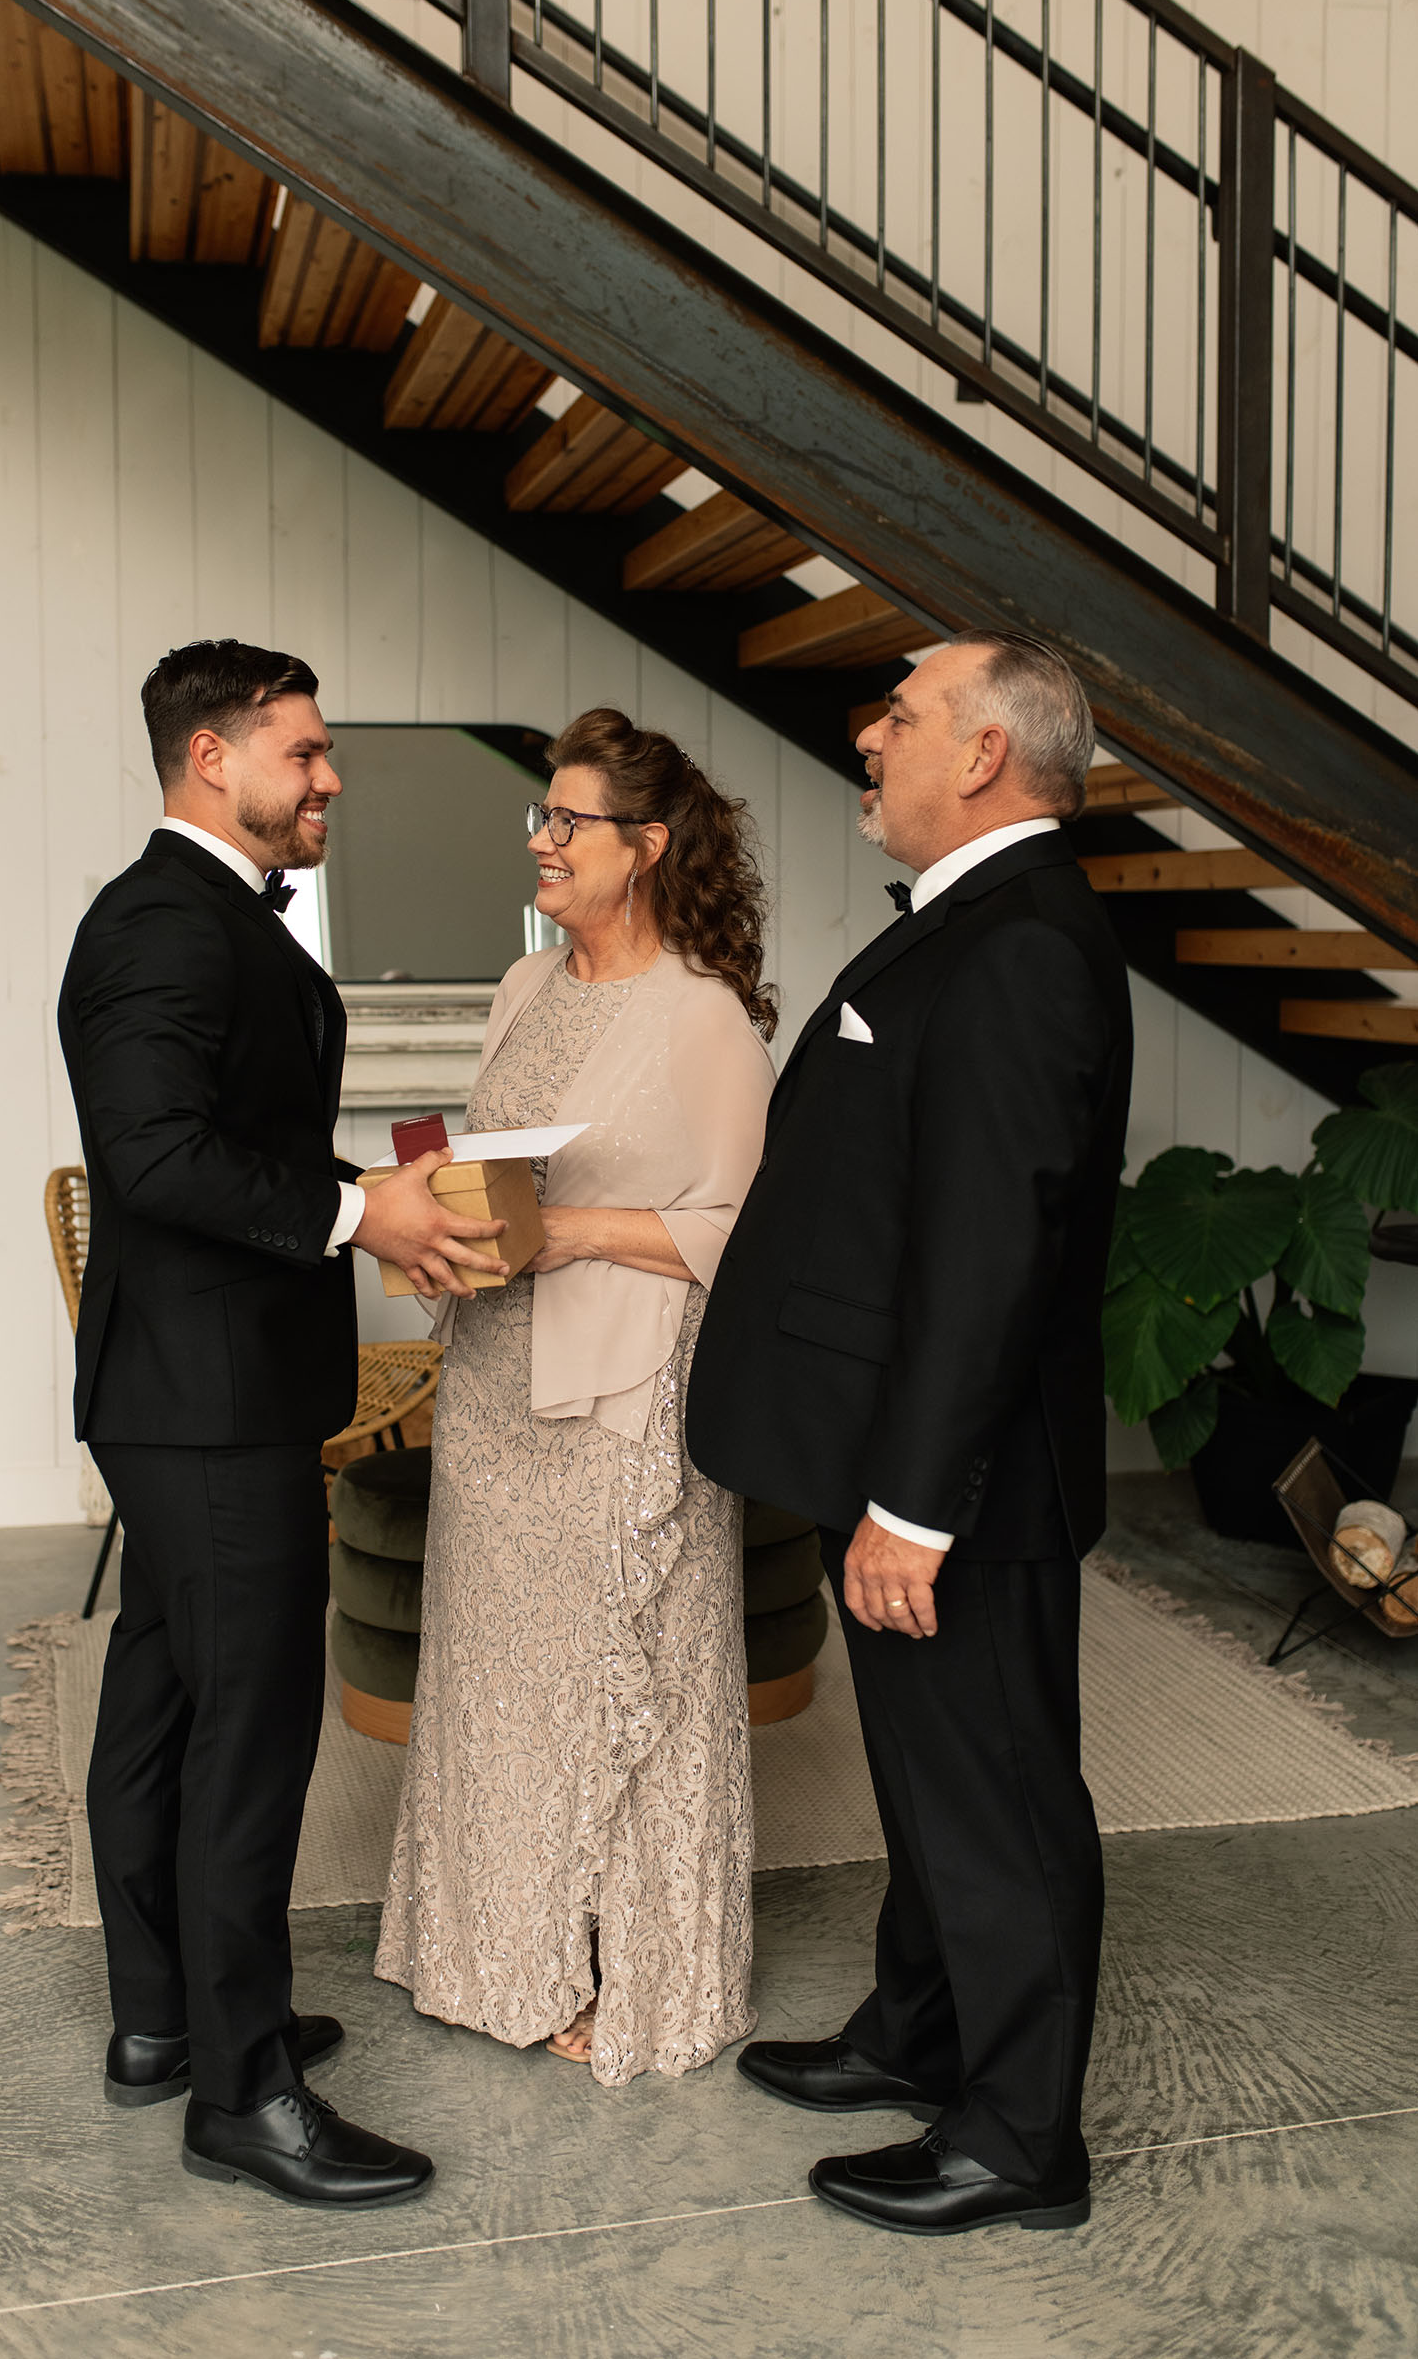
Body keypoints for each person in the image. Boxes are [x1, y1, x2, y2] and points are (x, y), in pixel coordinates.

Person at [687, 634, 1132, 2235]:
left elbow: (985, 1253)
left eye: (903, 713)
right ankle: (920, 2027)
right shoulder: (978, 923)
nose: (869, 735)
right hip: (913, 1453)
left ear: (988, 755)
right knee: (931, 1779)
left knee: (996, 1799)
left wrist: (917, 1507)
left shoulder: (1020, 947)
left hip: (965, 1480)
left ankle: (1017, 2142)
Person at [58, 638, 508, 2209]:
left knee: (170, 1707)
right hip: (206, 1400)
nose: (331, 777)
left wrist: (374, 1189)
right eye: (305, 752)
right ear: (213, 758)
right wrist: (355, 1213)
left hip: (198, 1388)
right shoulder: (159, 929)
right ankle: (244, 2097)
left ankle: (164, 2020)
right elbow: (157, 1159)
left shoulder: (202, 921)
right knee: (246, 1734)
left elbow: (217, 1129)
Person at [375, 708, 777, 2084]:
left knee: (627, 1678)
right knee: (500, 1676)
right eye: (538, 818)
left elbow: (742, 1228)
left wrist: (576, 1234)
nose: (540, 841)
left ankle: (642, 1976)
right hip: (492, 1380)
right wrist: (449, 1222)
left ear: (646, 848)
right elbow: (507, 1165)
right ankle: (493, 1955)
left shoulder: (703, 1018)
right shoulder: (518, 988)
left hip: (624, 1394)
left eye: (567, 822)